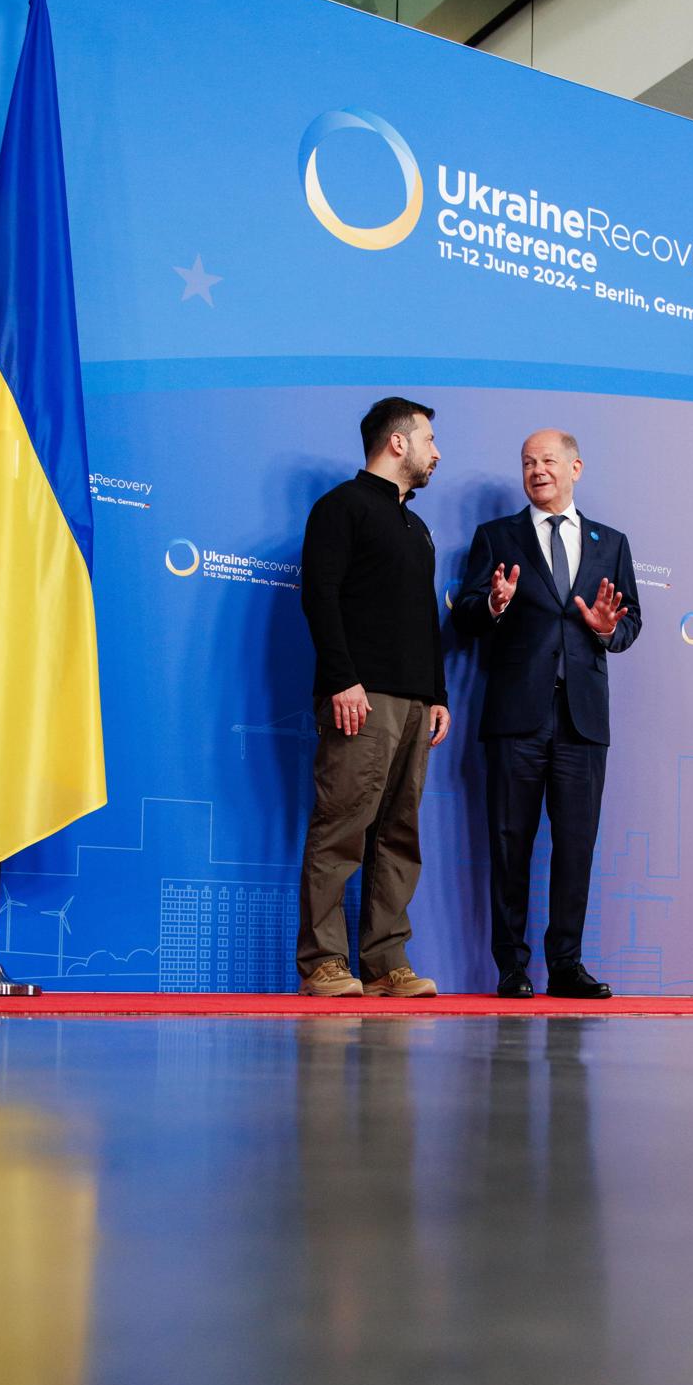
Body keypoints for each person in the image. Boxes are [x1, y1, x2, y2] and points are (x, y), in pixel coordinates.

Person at [453, 429, 641, 999]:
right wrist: (492, 603)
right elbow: (464, 613)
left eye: (549, 460)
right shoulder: (496, 536)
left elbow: (630, 625)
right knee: (509, 844)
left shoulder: (612, 542)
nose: (538, 470)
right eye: (528, 462)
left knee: (577, 846)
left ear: (576, 467)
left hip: (582, 719)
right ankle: (511, 969)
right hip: (516, 716)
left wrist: (609, 629)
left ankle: (566, 966)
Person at [297, 398, 451, 998]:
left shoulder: (416, 526)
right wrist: (342, 678)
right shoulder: (342, 507)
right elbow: (320, 597)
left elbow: (421, 619)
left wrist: (437, 694)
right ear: (397, 443)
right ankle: (324, 963)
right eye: (430, 439)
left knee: (399, 834)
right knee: (342, 827)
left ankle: (387, 962)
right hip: (362, 697)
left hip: (416, 705)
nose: (437, 452)